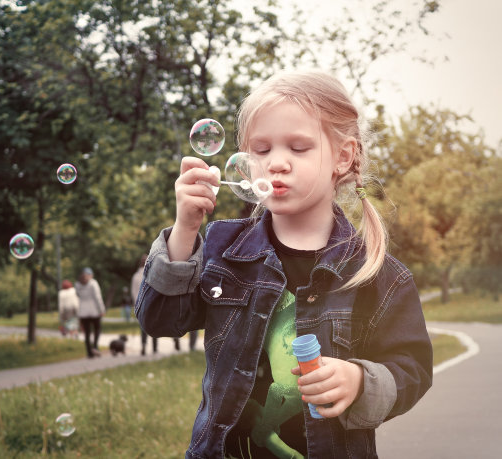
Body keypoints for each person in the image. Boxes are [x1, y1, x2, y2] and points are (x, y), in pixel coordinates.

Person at [135, 71, 433, 458]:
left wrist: (360, 380)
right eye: (261, 150)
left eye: (298, 147)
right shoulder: (223, 249)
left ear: (342, 157)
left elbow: (413, 367)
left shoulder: (377, 272)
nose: (276, 163)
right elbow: (160, 320)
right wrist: (185, 230)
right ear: (244, 165)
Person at [75, 267, 106, 358]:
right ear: (90, 275)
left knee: (87, 333)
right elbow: (97, 297)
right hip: (94, 311)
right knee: (97, 329)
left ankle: (89, 352)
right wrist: (102, 309)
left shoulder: (77, 284)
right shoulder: (93, 283)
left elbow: (77, 296)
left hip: (83, 311)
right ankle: (95, 346)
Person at [131, 254, 158, 355]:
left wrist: (136, 303)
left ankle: (143, 346)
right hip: (151, 303)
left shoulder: (135, 276)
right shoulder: (153, 273)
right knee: (154, 325)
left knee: (143, 326)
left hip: (141, 303)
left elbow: (133, 292)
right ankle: (154, 348)